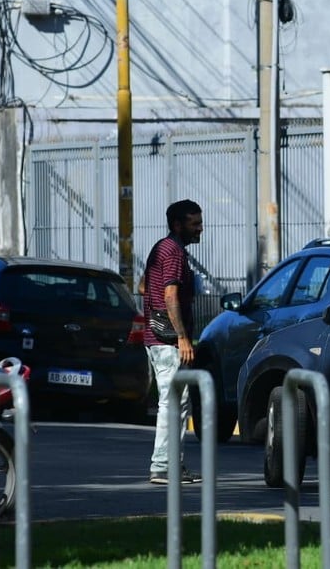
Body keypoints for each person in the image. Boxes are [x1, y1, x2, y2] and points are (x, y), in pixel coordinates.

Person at [143, 199, 204, 485]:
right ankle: (162, 467)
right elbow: (169, 296)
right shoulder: (174, 252)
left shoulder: (162, 248)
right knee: (173, 403)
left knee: (176, 402)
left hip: (156, 339)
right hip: (168, 341)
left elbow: (144, 285)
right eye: (194, 223)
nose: (200, 229)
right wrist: (182, 337)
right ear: (178, 225)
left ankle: (173, 466)